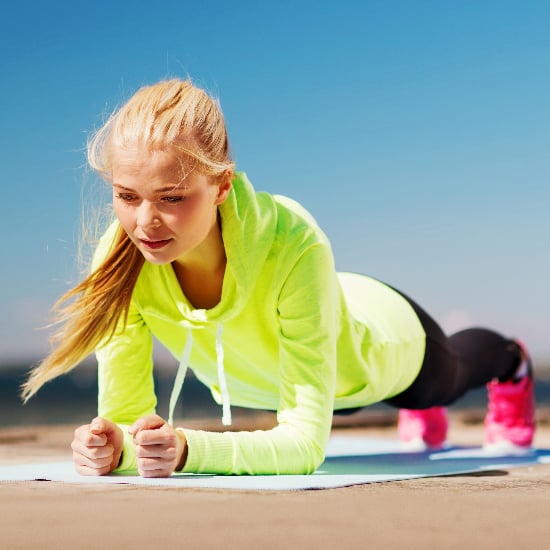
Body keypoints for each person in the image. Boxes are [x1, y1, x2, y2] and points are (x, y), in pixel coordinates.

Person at [22, 78, 536, 478]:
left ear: (222, 185)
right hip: (292, 356)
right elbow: (128, 421)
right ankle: (424, 419)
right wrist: (113, 447)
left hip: (378, 344)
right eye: (127, 196)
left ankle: (511, 364)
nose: (144, 222)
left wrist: (187, 450)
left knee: (443, 383)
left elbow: (305, 447)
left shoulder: (295, 240)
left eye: (172, 197)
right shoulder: (120, 257)